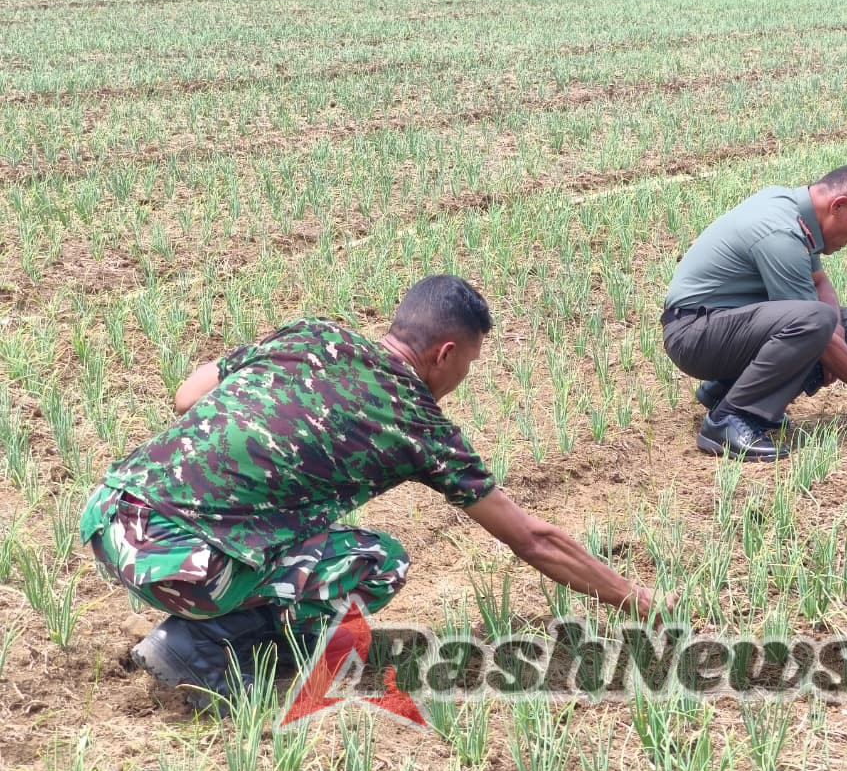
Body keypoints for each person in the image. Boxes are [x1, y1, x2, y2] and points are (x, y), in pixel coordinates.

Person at [81, 275, 665, 711]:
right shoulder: (417, 423)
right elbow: (534, 541)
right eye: (469, 365)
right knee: (378, 562)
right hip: (181, 565)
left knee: (295, 529)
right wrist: (635, 600)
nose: (462, 380)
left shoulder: (310, 334)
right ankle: (203, 646)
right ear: (445, 354)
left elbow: (188, 397)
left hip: (110, 514)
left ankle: (217, 636)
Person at [661, 165, 847, 461]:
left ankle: (728, 391)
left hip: (721, 326)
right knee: (818, 322)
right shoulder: (781, 232)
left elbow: (819, 281)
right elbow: (814, 324)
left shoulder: (791, 208)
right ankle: (728, 419)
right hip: (694, 333)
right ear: (838, 206)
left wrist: (835, 334)